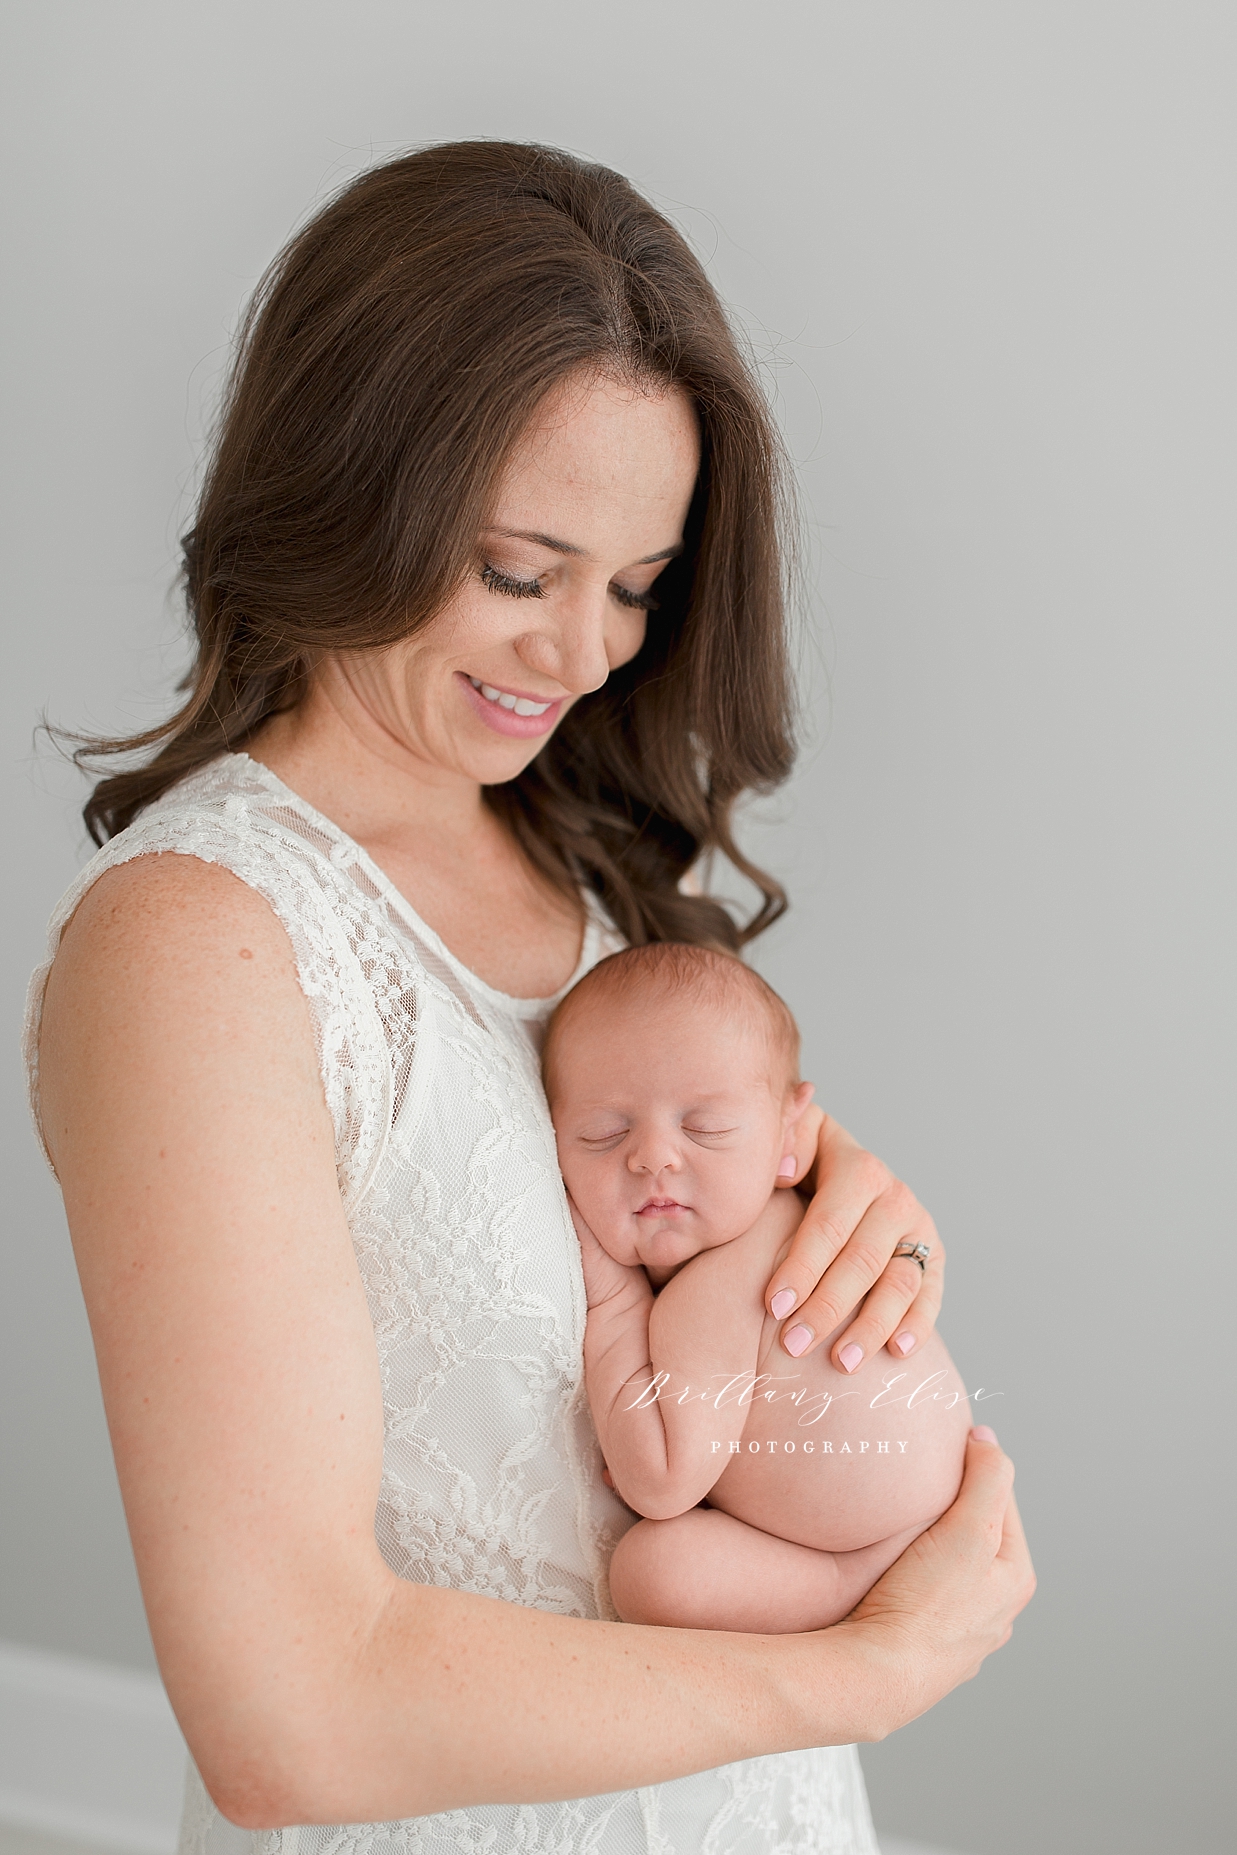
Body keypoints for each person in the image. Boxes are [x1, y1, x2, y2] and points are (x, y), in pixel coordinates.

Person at [26, 142, 1033, 1855]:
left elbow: (712, 1310)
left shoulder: (590, 882)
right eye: (519, 570)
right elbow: (291, 1714)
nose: (584, 656)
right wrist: (873, 1668)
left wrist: (856, 1243)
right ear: (351, 488)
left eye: (637, 586)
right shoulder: (199, 945)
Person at [543, 942, 973, 1634]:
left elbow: (657, 1480)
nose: (652, 1154)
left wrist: (615, 1303)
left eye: (705, 1127)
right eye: (603, 1132)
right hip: (922, 1507)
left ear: (790, 1132)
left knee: (652, 1571)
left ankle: (848, 1590)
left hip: (863, 1555)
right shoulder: (771, 1227)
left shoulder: (719, 1289)